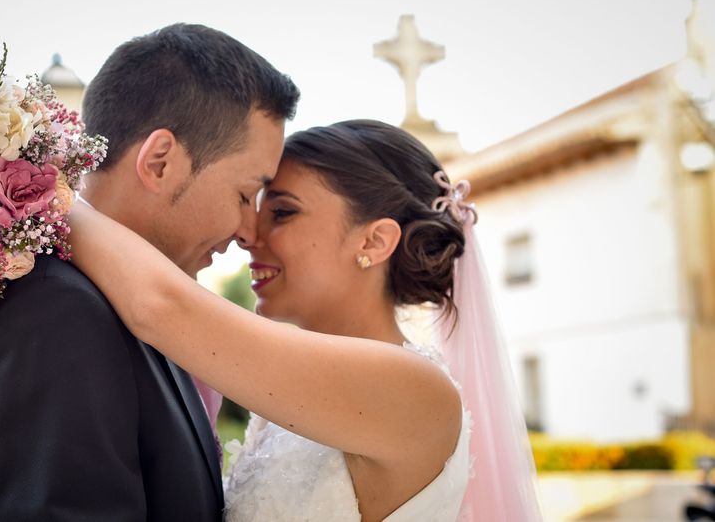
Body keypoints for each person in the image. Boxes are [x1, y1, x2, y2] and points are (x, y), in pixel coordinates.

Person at [67, 119, 543, 521]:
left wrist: (40, 191)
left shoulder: (414, 388)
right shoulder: (299, 393)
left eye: (282, 212)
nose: (248, 233)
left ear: (374, 243)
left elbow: (160, 306)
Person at [0, 23, 299, 521]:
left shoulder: (127, 303)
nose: (247, 230)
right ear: (158, 162)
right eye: (244, 194)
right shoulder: (56, 311)